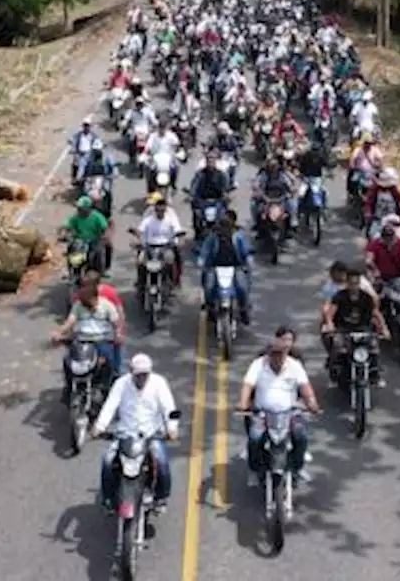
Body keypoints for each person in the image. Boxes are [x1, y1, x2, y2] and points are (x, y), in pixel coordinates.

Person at [92, 354, 180, 512]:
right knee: (107, 461)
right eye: (138, 375)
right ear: (131, 372)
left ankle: (161, 498)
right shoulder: (121, 384)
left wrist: (172, 428)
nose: (141, 378)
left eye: (145, 374)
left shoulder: (159, 383)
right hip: (125, 434)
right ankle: (108, 499)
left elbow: (169, 407)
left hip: (150, 435)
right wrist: (100, 426)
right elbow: (110, 406)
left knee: (162, 462)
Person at [237, 329, 321, 487]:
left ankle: (297, 466)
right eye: (274, 354)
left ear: (286, 354)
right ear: (268, 354)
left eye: (280, 354)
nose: (277, 358)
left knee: (300, 436)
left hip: (290, 413)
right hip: (263, 414)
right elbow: (247, 385)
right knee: (254, 439)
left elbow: (305, 387)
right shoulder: (258, 365)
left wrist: (312, 403)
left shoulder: (294, 366)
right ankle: (255, 469)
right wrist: (243, 402)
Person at [51, 281, 124, 403]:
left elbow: (117, 323)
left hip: (102, 340)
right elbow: (70, 322)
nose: (87, 307)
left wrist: (118, 334)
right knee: (68, 361)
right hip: (81, 340)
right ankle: (69, 387)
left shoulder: (106, 306)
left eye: (89, 303)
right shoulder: (78, 306)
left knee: (108, 360)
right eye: (84, 304)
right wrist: (59, 333)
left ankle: (105, 387)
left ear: (96, 298)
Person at [322, 267, 390, 386]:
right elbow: (330, 313)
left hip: (363, 328)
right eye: (351, 283)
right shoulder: (339, 296)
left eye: (357, 283)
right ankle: (334, 374)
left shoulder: (366, 297)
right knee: (337, 346)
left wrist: (384, 328)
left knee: (374, 348)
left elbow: (376, 313)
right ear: (347, 283)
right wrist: (330, 324)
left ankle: (375, 375)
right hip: (343, 329)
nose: (354, 286)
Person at [198, 211, 252, 324]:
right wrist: (201, 260)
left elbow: (245, 251)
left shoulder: (238, 237)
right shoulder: (213, 237)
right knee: (209, 287)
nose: (224, 228)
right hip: (215, 267)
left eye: (227, 225)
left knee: (242, 287)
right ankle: (211, 308)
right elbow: (205, 249)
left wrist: (248, 260)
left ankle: (243, 310)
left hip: (235, 267)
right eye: (222, 225)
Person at [132, 192, 185, 292]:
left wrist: (179, 238)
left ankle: (173, 281)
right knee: (140, 262)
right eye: (156, 208)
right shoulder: (148, 216)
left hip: (165, 246)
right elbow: (141, 229)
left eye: (161, 208)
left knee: (172, 259)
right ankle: (141, 282)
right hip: (149, 247)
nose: (158, 210)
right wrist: (136, 236)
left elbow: (177, 229)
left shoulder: (170, 216)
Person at [59, 196, 113, 272]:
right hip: (79, 240)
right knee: (70, 250)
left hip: (94, 239)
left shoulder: (97, 217)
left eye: (81, 208)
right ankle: (71, 271)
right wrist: (63, 233)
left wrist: (105, 236)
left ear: (88, 208)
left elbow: (105, 227)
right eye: (78, 208)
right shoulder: (76, 217)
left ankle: (103, 269)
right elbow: (66, 225)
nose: (79, 210)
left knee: (104, 248)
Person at [188, 148, 230, 235]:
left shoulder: (221, 175)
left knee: (223, 218)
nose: (210, 160)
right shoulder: (199, 174)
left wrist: (225, 195)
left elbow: (225, 188)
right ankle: (198, 235)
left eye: (212, 158)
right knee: (197, 217)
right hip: (202, 201)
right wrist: (192, 196)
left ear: (216, 160)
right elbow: (194, 186)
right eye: (208, 158)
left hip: (217, 201)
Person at [251, 154, 297, 231]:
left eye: (275, 166)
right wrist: (257, 191)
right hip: (266, 200)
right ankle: (256, 224)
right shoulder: (264, 175)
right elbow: (256, 184)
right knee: (254, 205)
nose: (273, 168)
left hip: (281, 199)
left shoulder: (282, 175)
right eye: (271, 166)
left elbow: (289, 184)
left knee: (292, 205)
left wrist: (292, 190)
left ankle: (291, 225)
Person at [69, 116, 98, 182]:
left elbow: (98, 142)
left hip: (88, 154)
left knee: (93, 164)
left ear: (90, 126)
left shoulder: (93, 135)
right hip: (79, 153)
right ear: (83, 126)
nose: (86, 127)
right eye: (85, 125)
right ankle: (74, 178)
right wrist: (72, 147)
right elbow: (73, 140)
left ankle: (89, 177)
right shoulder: (79, 135)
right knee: (75, 162)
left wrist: (100, 146)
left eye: (88, 125)